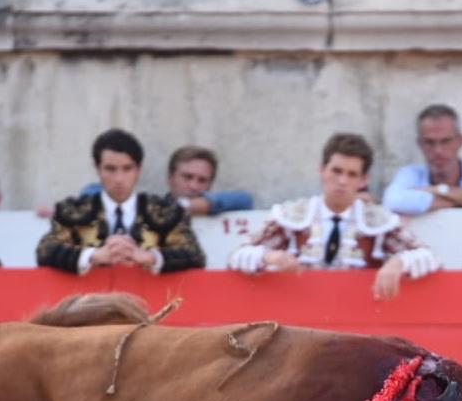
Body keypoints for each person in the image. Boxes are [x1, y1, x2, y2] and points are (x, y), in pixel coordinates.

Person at [229, 132, 438, 301]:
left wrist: (398, 263)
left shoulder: (378, 221)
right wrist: (269, 256)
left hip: (359, 320)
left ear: (363, 179)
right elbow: (237, 256)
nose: (342, 181)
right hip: (299, 318)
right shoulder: (293, 217)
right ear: (322, 170)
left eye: (351, 174)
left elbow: (431, 258)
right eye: (336, 171)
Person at [36, 128, 204, 274]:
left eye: (127, 168)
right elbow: (45, 251)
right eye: (110, 169)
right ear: (97, 168)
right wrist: (92, 255)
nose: (119, 178)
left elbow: (195, 255)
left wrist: (151, 257)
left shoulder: (168, 212)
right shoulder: (71, 211)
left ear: (139, 169)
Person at [382, 104, 462, 215]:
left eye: (446, 141)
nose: (438, 150)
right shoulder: (410, 173)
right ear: (420, 144)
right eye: (429, 142)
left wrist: (440, 190)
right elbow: (392, 200)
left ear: (461, 141)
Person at [166, 145, 254, 216]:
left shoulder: (216, 212)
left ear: (210, 184)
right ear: (171, 177)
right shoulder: (154, 213)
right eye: (187, 177)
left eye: (202, 180)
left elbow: (244, 200)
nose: (194, 186)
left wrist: (187, 205)